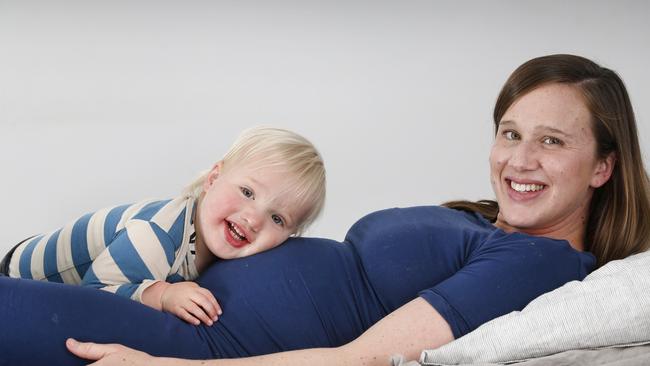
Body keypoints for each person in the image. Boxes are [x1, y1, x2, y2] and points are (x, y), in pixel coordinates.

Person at [0, 54, 648, 366]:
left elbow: (356, 361)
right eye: (510, 132)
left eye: (552, 141)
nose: (520, 158)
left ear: (603, 166)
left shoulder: (540, 261)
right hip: (178, 307)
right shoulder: (486, 225)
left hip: (197, 346)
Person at [0, 126, 326, 326]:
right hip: (20, 276)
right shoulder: (153, 236)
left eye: (277, 218)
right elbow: (94, 296)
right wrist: (162, 294)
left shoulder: (225, 249)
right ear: (213, 179)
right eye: (247, 192)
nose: (253, 219)